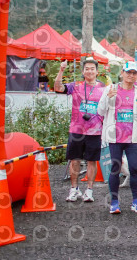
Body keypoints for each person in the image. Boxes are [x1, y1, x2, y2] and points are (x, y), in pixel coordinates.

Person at [97, 61, 137, 214]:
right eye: (128, 72)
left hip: (132, 138)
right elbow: (100, 111)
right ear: (122, 73)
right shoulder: (111, 89)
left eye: (134, 73)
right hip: (115, 137)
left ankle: (136, 201)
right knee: (115, 168)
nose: (131, 75)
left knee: (135, 168)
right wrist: (107, 98)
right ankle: (114, 202)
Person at [54, 57, 105, 202]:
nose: (89, 71)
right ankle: (74, 189)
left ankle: (89, 191)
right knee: (74, 160)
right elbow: (58, 88)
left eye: (92, 69)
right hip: (76, 130)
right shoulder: (75, 86)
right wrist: (61, 70)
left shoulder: (103, 88)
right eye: (87, 69)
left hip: (95, 131)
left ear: (97, 71)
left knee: (92, 161)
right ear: (83, 72)